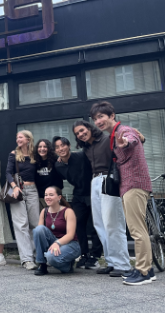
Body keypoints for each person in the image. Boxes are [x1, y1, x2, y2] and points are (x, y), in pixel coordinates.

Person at [91, 101, 155, 285]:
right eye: (95, 118)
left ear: (112, 116)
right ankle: (147, 269)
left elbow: (131, 139)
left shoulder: (123, 131)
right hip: (128, 186)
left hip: (135, 184)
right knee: (137, 228)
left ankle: (143, 272)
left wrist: (126, 142)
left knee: (137, 230)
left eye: (101, 116)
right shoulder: (113, 135)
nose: (98, 121)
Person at [76, 120, 131, 277]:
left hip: (109, 179)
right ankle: (111, 262)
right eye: (77, 133)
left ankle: (123, 264)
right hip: (95, 182)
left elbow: (128, 143)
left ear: (89, 128)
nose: (81, 134)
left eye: (82, 130)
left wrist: (140, 138)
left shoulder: (108, 139)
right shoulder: (87, 148)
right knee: (100, 224)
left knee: (114, 223)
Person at [53, 136, 103, 270]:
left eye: (63, 145)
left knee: (95, 225)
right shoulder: (58, 165)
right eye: (57, 147)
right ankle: (84, 254)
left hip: (92, 192)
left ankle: (95, 256)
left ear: (69, 146)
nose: (60, 149)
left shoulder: (81, 156)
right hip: (78, 195)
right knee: (77, 224)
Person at [6, 130, 39, 270]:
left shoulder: (34, 155)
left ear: (28, 139)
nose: (18, 139)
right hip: (18, 191)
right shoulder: (13, 155)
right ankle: (26, 259)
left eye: (20, 137)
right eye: (17, 137)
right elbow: (8, 172)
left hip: (33, 191)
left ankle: (38, 255)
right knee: (21, 225)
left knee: (35, 224)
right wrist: (14, 187)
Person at [33, 186, 81, 275]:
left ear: (59, 197)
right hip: (53, 243)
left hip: (70, 244)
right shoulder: (44, 211)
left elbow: (70, 235)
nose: (47, 197)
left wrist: (57, 243)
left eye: (51, 195)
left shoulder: (68, 211)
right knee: (38, 229)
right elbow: (39, 234)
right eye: (46, 195)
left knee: (51, 258)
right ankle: (42, 264)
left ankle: (68, 266)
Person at [34, 139, 63, 211]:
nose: (42, 149)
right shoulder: (34, 161)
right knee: (43, 218)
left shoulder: (56, 160)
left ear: (49, 148)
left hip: (54, 196)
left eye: (45, 146)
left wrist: (62, 158)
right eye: (40, 147)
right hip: (40, 197)